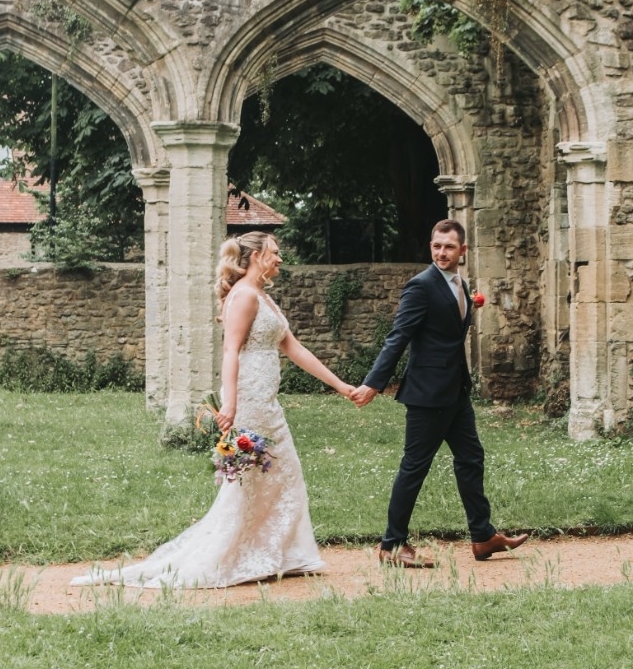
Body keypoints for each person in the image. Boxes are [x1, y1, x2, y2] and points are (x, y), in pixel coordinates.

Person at [71, 231, 355, 589]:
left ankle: (279, 554)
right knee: (247, 483)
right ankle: (227, 557)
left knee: (284, 475)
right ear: (255, 257)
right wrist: (232, 405)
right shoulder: (244, 296)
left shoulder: (264, 297)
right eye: (274, 253)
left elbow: (294, 349)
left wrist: (341, 386)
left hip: (268, 402)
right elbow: (230, 351)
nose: (280, 259)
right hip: (249, 400)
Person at [352, 218, 528, 568]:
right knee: (414, 467)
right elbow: (398, 337)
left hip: (456, 392)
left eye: (449, 247)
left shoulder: (460, 283)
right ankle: (392, 544)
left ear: (463, 251)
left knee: (471, 459)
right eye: (436, 246)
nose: (441, 252)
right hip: (427, 395)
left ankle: (482, 536)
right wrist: (374, 383)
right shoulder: (421, 286)